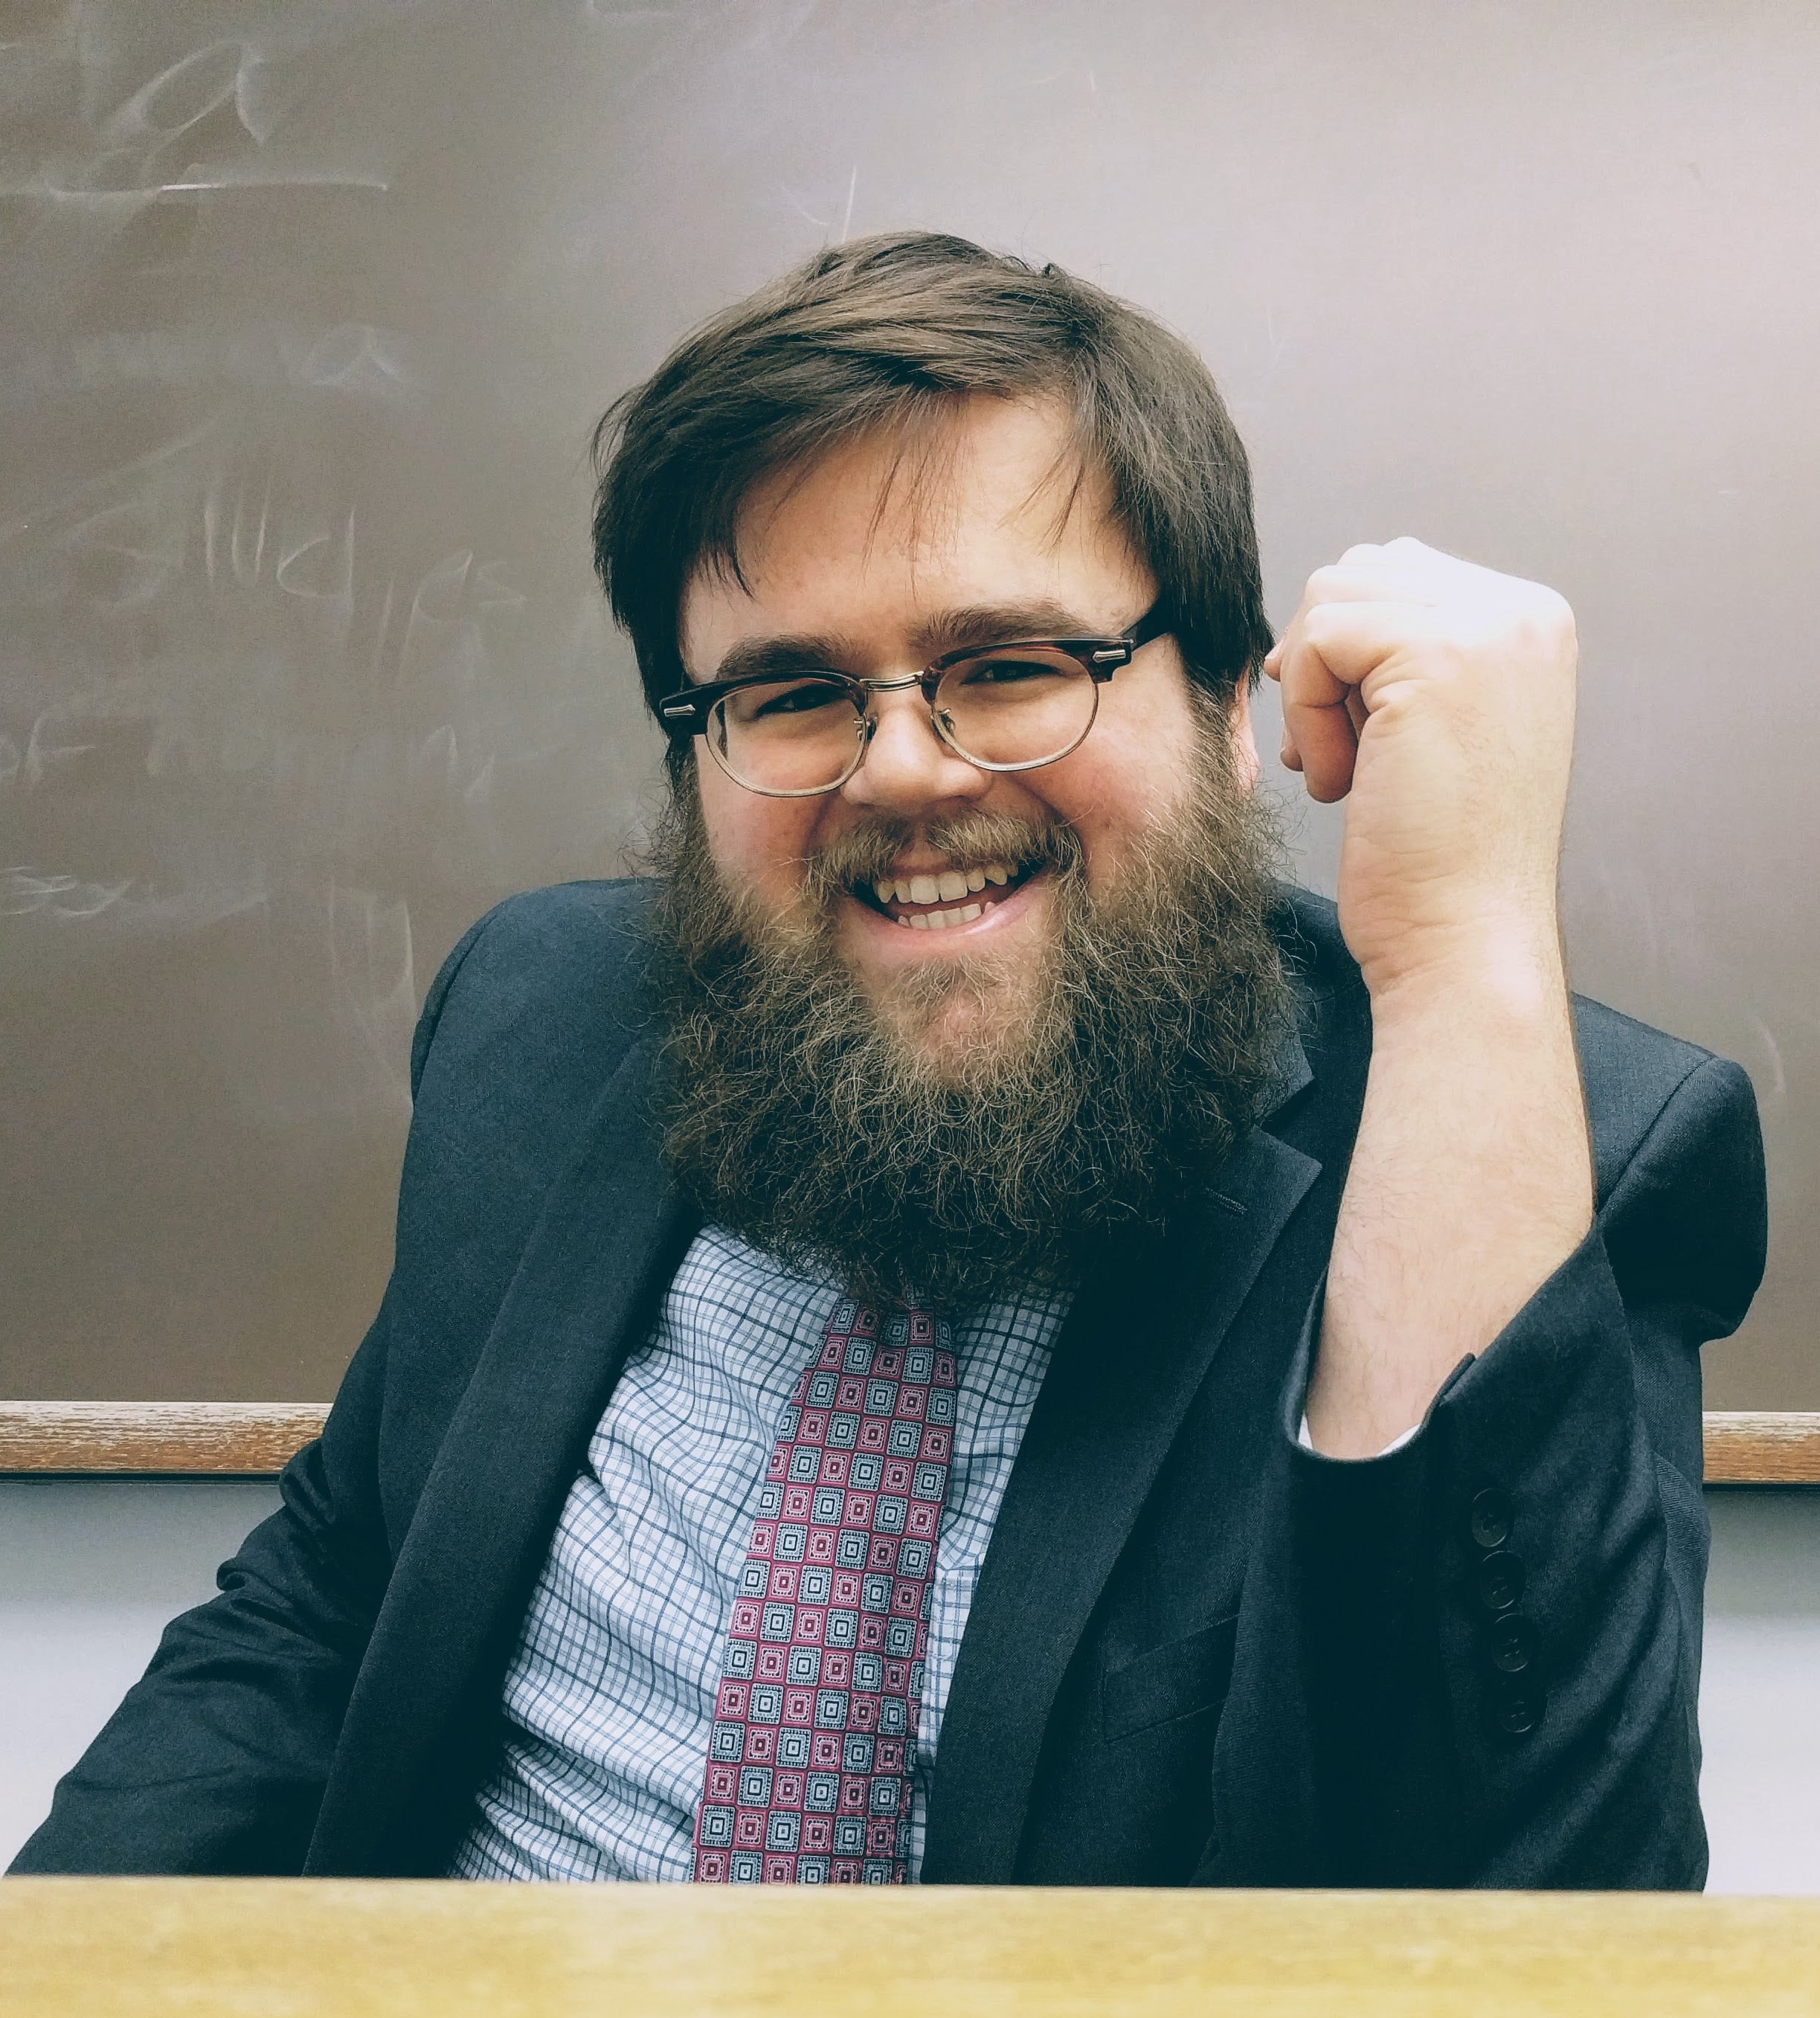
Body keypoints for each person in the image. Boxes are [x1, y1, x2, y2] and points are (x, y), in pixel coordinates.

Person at [13, 231, 1765, 1888]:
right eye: (791, 695)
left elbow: (1526, 1917)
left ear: (1230, 703)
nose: (906, 771)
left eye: (1011, 666)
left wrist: (1460, 948)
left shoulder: (1518, 1151)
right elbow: (332, 1597)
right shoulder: (542, 1017)